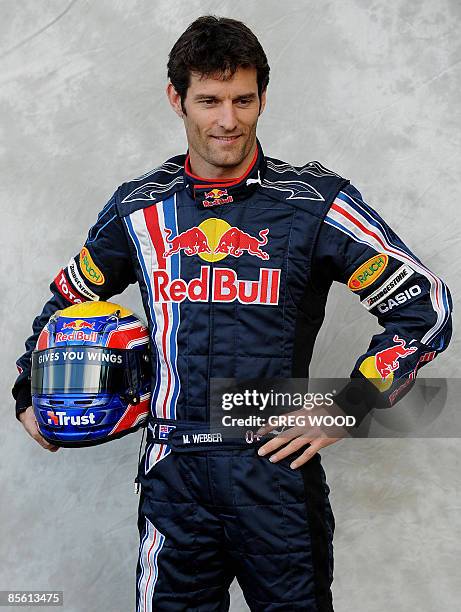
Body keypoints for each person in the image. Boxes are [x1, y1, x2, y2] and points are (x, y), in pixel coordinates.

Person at [13, 15, 452, 612]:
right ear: (177, 100)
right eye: (209, 100)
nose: (228, 120)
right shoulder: (139, 208)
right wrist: (28, 393)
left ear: (263, 98)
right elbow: (64, 303)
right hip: (173, 475)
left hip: (273, 476)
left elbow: (424, 309)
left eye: (244, 100)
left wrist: (348, 404)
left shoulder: (315, 203)